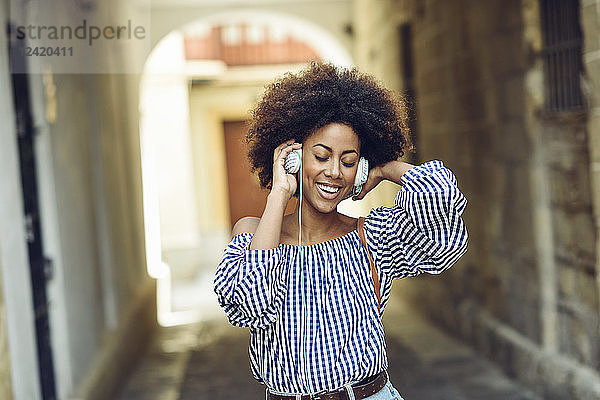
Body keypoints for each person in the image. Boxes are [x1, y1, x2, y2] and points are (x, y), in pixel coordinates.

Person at [214, 62, 468, 400]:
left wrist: (385, 169)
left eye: (349, 161)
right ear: (292, 157)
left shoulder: (373, 236)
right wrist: (279, 193)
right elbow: (250, 304)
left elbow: (441, 203)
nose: (334, 172)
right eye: (321, 156)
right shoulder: (253, 233)